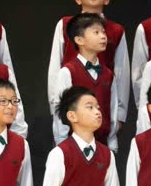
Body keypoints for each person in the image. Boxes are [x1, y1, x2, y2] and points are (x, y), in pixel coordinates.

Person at [45, 0, 131, 126]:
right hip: (71, 103)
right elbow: (55, 66)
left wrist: (120, 115)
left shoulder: (116, 30)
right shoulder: (65, 24)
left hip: (103, 102)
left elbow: (122, 73)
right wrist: (56, 109)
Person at [49, 14, 120, 152]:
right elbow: (60, 112)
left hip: (102, 145)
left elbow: (112, 110)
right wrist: (62, 144)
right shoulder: (68, 72)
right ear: (79, 40)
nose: (103, 36)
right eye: (96, 32)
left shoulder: (109, 75)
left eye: (103, 32)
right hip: (73, 145)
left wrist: (112, 142)